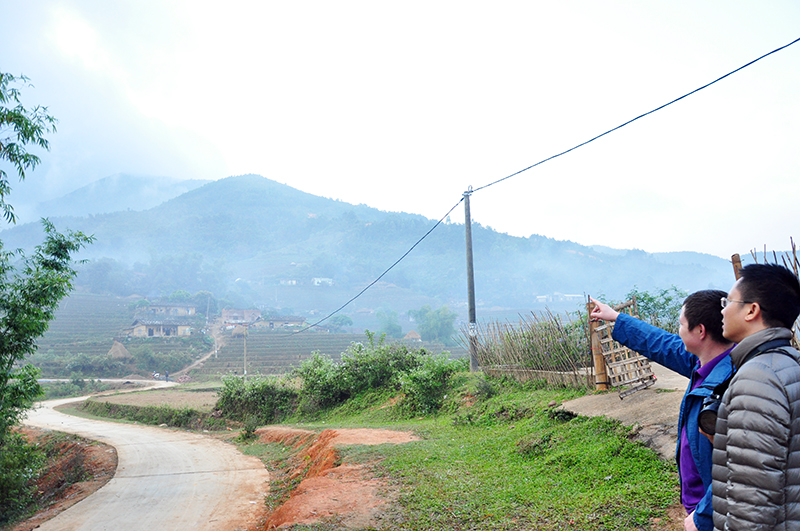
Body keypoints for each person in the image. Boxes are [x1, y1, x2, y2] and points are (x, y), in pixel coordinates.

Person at [590, 290, 734, 531]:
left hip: (716, 514)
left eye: (681, 325)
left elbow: (740, 468)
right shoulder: (702, 363)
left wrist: (704, 515)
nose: (678, 330)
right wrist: (616, 317)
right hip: (700, 505)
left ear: (700, 331)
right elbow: (661, 343)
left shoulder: (732, 383)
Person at [711, 263, 800, 531]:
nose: (723, 310)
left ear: (752, 310)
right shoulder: (789, 363)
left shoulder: (757, 378)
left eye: (728, 301)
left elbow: (752, 502)